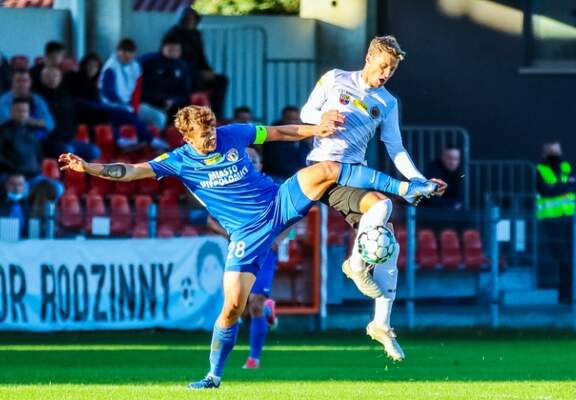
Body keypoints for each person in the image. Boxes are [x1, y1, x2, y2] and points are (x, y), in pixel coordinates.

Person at [58, 105, 436, 389]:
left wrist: (315, 129)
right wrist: (89, 168)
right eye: (203, 136)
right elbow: (130, 171)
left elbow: (278, 132)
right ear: (187, 138)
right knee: (231, 309)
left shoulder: (232, 134)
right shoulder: (177, 161)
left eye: (211, 131)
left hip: (279, 202)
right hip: (246, 235)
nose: (211, 139)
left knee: (325, 170)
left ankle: (403, 190)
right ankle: (213, 376)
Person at [300, 35, 446, 361]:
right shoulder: (335, 78)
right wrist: (320, 121)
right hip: (325, 171)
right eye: (383, 66)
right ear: (368, 57)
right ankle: (355, 265)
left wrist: (419, 179)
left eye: (392, 70)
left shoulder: (387, 102)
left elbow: (395, 147)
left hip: (355, 174)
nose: (385, 74)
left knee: (388, 244)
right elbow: (307, 111)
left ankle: (381, 324)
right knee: (383, 203)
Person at [99, 39, 168, 149]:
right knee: (127, 114)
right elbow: (108, 93)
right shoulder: (110, 67)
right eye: (124, 54)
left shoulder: (135, 66)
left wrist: (134, 107)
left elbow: (137, 90)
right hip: (112, 105)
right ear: (118, 52)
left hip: (131, 104)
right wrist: (126, 107)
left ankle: (146, 142)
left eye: (130, 54)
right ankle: (151, 140)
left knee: (159, 117)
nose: (128, 57)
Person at [166, 7, 228, 119]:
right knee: (195, 80)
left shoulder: (196, 34)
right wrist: (197, 72)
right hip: (182, 71)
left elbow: (201, 56)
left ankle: (217, 114)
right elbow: (173, 58)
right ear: (181, 20)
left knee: (221, 80)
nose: (190, 22)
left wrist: (208, 70)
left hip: (197, 71)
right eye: (187, 19)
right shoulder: (174, 34)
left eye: (192, 19)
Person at [536, 141, 575, 304]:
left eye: (558, 152)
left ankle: (569, 296)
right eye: (552, 152)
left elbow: (571, 187)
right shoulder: (540, 170)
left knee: (571, 259)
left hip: (570, 219)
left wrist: (558, 187)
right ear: (545, 154)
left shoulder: (566, 167)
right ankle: (564, 297)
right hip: (551, 221)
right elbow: (545, 191)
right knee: (562, 260)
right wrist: (566, 186)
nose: (556, 155)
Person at [37, 66, 99, 161]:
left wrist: (72, 132)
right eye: (49, 76)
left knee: (94, 151)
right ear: (42, 78)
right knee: (68, 150)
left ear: (60, 78)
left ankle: (84, 171)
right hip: (49, 142)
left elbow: (73, 117)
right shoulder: (38, 98)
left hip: (69, 139)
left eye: (55, 76)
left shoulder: (65, 96)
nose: (52, 79)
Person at [139, 34, 192, 130]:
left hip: (173, 105)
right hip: (149, 103)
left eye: (177, 50)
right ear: (162, 48)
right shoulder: (149, 62)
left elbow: (185, 93)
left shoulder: (183, 67)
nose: (174, 53)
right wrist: (159, 100)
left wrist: (173, 101)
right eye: (170, 50)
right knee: (159, 117)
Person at [0, 70, 54, 139]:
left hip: (36, 140)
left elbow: (50, 124)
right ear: (12, 83)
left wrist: (29, 120)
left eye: (25, 81)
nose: (22, 84)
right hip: (10, 140)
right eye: (18, 81)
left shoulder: (38, 100)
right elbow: (6, 121)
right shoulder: (3, 101)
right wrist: (36, 122)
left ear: (30, 83)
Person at [263, 106, 310, 180]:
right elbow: (276, 162)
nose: (292, 122)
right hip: (277, 177)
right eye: (288, 118)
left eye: (295, 119)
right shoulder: (273, 138)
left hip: (299, 177)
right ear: (283, 119)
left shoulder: (303, 138)